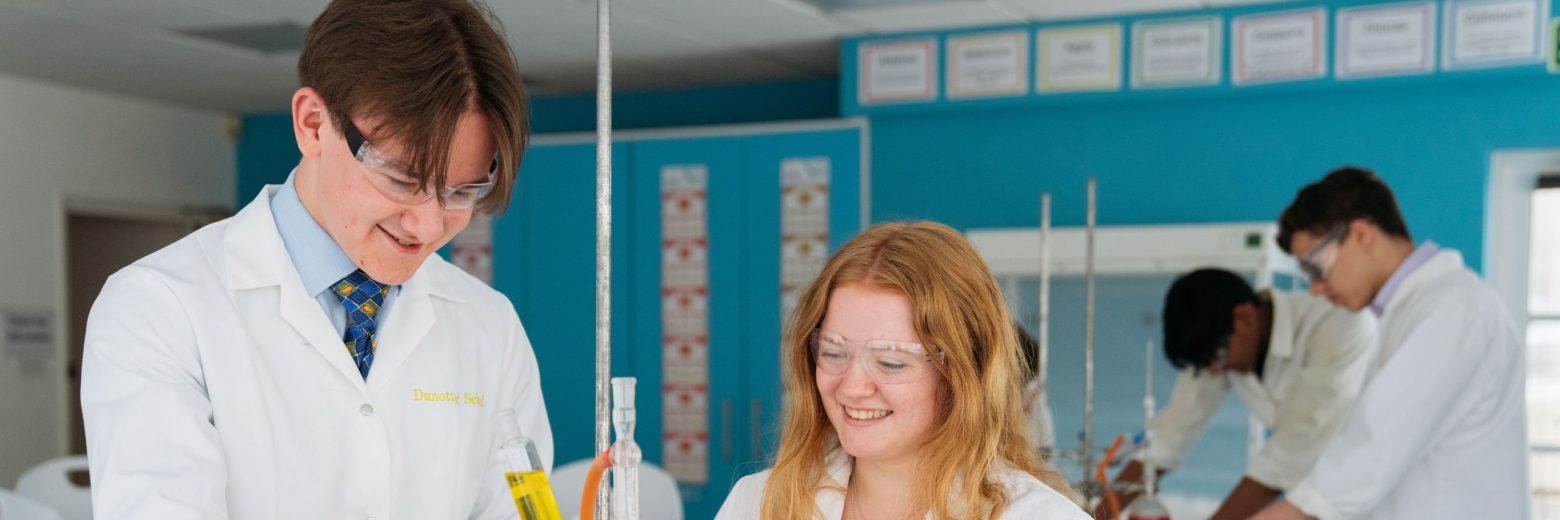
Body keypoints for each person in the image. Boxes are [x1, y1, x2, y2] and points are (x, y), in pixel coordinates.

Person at [79, 1, 550, 518]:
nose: (429, 224)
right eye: (402, 180)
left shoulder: (489, 324)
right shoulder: (159, 308)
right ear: (312, 124)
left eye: (463, 191)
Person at [715, 221, 1088, 519]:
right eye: (833, 353)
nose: (853, 387)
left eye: (891, 362)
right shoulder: (757, 504)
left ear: (962, 374)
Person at [1252, 167, 1528, 519]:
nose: (1315, 288)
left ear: (1361, 234)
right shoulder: (1407, 315)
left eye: (1315, 268)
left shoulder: (1453, 310)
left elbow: (1363, 460)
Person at [1101, 268, 1377, 519]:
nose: (1215, 373)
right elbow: (1169, 437)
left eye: (1216, 358)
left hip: (1379, 490)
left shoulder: (1337, 324)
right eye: (1205, 366)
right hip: (1321, 495)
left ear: (1244, 317)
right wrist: (1092, 515)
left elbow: (1289, 452)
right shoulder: (1221, 350)